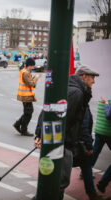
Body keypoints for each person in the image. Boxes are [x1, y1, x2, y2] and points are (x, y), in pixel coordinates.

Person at [33, 66, 102, 200]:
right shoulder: (77, 93)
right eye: (92, 77)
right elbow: (65, 120)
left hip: (60, 143)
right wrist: (46, 138)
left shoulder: (69, 88)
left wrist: (39, 134)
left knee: (57, 182)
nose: (94, 81)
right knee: (59, 182)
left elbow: (46, 110)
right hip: (62, 144)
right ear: (83, 76)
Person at [13, 58, 41, 136]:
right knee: (28, 113)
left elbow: (29, 82)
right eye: (33, 66)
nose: (33, 67)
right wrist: (36, 77)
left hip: (25, 95)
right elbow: (31, 84)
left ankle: (18, 125)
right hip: (26, 96)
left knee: (28, 112)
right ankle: (23, 129)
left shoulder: (25, 71)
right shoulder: (25, 73)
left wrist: (33, 78)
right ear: (30, 65)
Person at [96, 97, 111, 194]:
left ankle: (85, 173)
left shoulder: (103, 96)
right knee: (94, 152)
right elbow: (108, 115)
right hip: (107, 132)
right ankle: (103, 182)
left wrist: (106, 103)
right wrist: (106, 104)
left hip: (99, 130)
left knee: (94, 153)